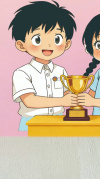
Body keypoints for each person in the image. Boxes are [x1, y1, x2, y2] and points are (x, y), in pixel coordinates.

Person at [10, 1, 75, 131]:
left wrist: (76, 96)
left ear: (67, 44)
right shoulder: (22, 73)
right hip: (31, 122)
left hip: (59, 120)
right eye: (37, 39)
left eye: (57, 39)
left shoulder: (61, 70)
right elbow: (30, 101)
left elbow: (66, 93)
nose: (49, 45)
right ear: (21, 45)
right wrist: (63, 101)